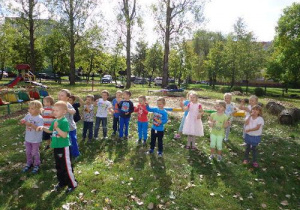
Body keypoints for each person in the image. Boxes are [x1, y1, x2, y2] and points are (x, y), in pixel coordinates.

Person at [37, 101, 78, 193]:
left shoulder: (64, 121)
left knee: (66, 167)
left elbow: (64, 135)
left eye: (57, 110)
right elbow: (50, 131)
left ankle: (72, 184)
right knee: (59, 166)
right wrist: (43, 127)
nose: (54, 112)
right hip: (56, 147)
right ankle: (62, 182)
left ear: (64, 112)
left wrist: (57, 128)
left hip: (64, 148)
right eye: (54, 110)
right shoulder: (55, 121)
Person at [20, 100, 44, 174]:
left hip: (35, 139)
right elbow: (24, 120)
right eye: (29, 108)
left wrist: (31, 125)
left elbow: (38, 129)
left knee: (34, 152)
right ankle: (29, 163)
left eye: (32, 108)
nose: (29, 110)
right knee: (28, 152)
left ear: (38, 109)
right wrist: (22, 121)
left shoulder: (40, 118)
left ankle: (36, 164)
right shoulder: (28, 115)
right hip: (28, 138)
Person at [58, 89, 80, 159]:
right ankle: (65, 153)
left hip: (70, 127)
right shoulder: (58, 104)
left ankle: (76, 154)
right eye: (59, 95)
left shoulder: (68, 104)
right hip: (61, 127)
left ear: (67, 98)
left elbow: (73, 111)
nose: (59, 96)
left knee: (72, 141)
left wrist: (67, 109)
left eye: (62, 95)